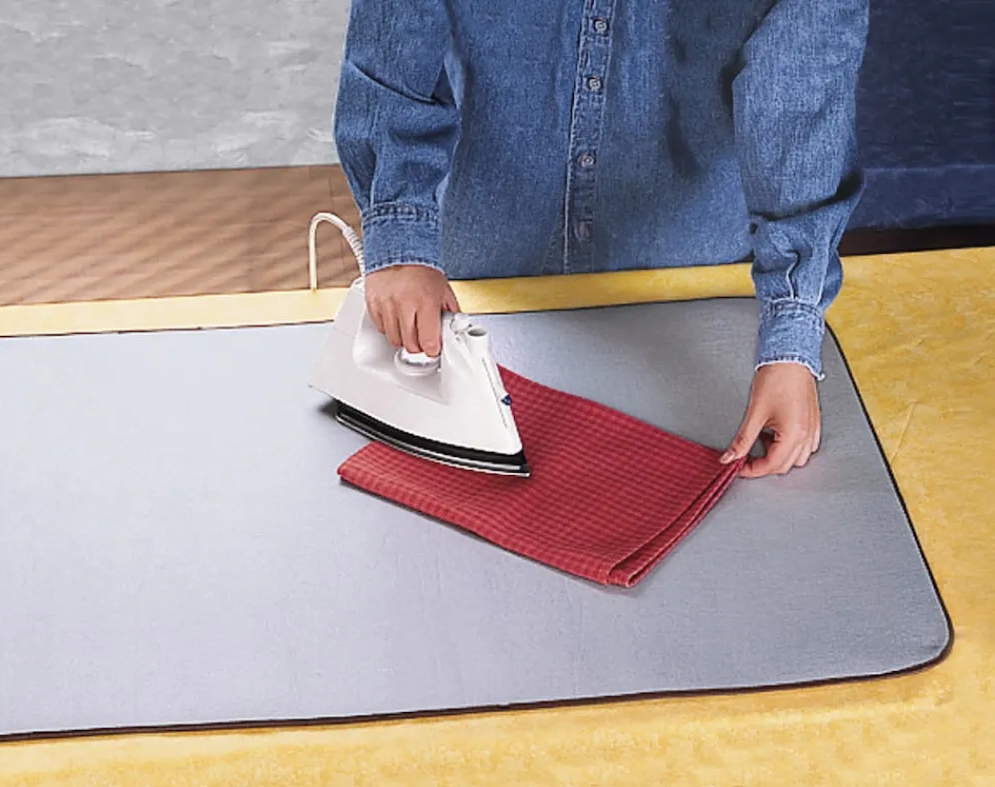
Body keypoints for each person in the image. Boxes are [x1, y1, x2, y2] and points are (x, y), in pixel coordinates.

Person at [331, 0, 868, 478]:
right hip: (487, 255)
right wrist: (399, 235)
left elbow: (803, 80)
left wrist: (791, 335)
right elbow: (398, 29)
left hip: (689, 287)